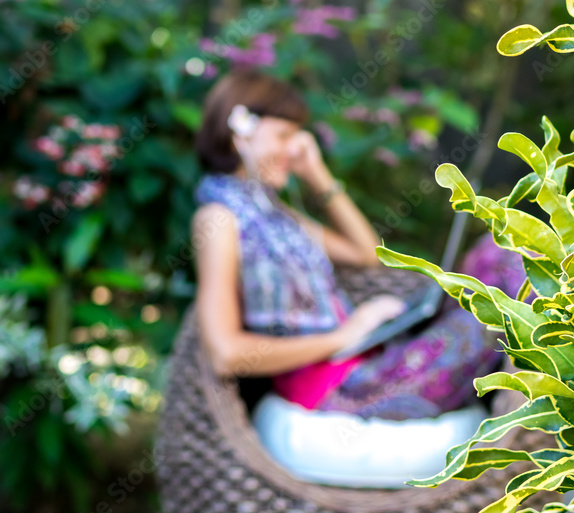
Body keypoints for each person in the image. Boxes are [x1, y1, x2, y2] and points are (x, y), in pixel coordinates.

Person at [191, 69, 506, 420]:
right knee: (501, 303)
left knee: (498, 253)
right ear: (240, 134)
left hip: (370, 361)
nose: (297, 148)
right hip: (342, 389)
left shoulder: (275, 216)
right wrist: (342, 337)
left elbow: (367, 254)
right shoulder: (219, 219)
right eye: (284, 135)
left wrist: (316, 175)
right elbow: (225, 353)